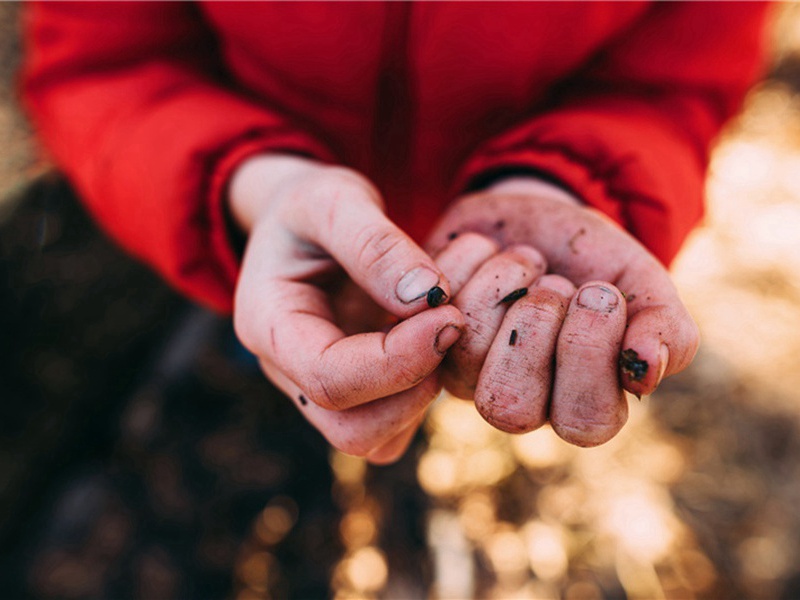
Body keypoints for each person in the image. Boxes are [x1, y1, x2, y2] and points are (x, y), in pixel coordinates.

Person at [21, 2, 770, 464]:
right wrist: (258, 187)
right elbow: (101, 59)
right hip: (250, 227)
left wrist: (562, 183)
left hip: (505, 247)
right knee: (278, 366)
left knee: (417, 390)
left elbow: (674, 81)